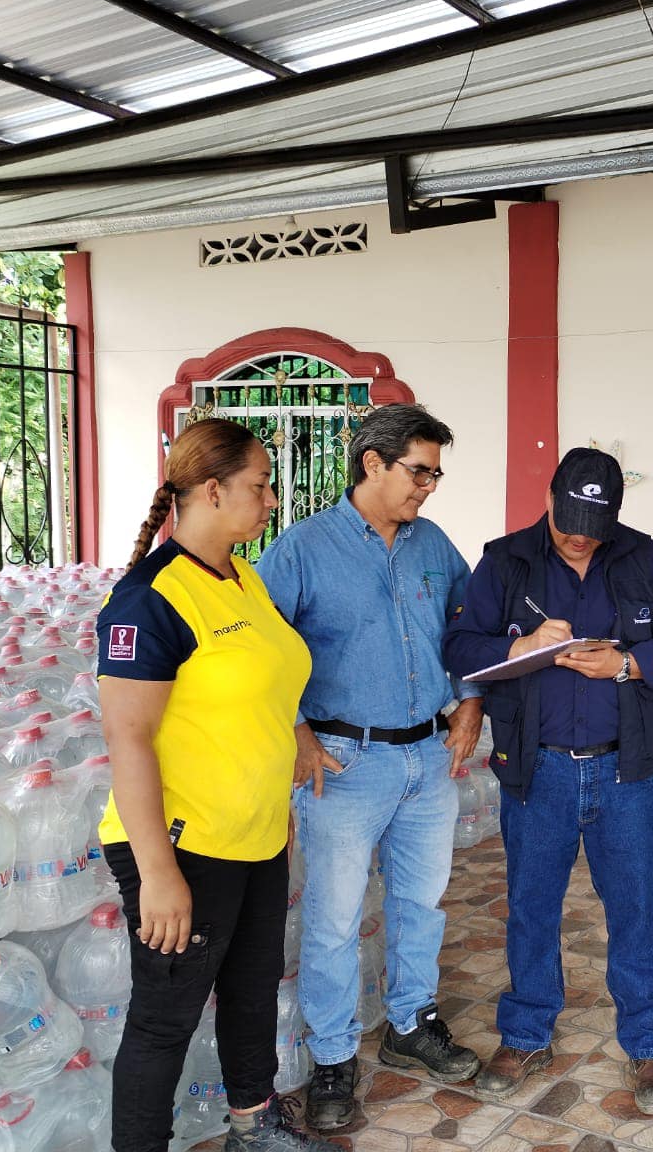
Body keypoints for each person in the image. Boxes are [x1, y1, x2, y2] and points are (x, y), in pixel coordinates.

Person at [96, 417, 337, 1152]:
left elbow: (265, 689)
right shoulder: (150, 599)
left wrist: (280, 779)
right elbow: (128, 739)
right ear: (210, 490)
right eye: (260, 486)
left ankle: (253, 1126)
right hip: (184, 844)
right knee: (164, 1019)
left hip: (253, 835)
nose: (271, 501)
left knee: (251, 990)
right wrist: (159, 874)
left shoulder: (241, 577)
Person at [443, 447, 653, 1115]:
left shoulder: (644, 557)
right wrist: (521, 646)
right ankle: (526, 1033)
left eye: (595, 525)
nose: (580, 537)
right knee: (532, 906)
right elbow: (461, 646)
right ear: (550, 497)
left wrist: (626, 664)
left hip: (624, 769)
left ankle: (648, 1041)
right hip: (540, 768)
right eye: (569, 522)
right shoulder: (505, 561)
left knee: (636, 909)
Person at [255, 404, 485, 1132]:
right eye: (419, 472)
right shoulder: (302, 548)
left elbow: (469, 629)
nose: (429, 487)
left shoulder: (432, 543)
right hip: (343, 763)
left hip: (428, 756)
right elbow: (260, 650)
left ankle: (411, 1022)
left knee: (422, 903)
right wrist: (296, 731)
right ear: (373, 463)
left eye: (436, 474)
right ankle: (332, 1057)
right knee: (333, 920)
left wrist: (471, 700)